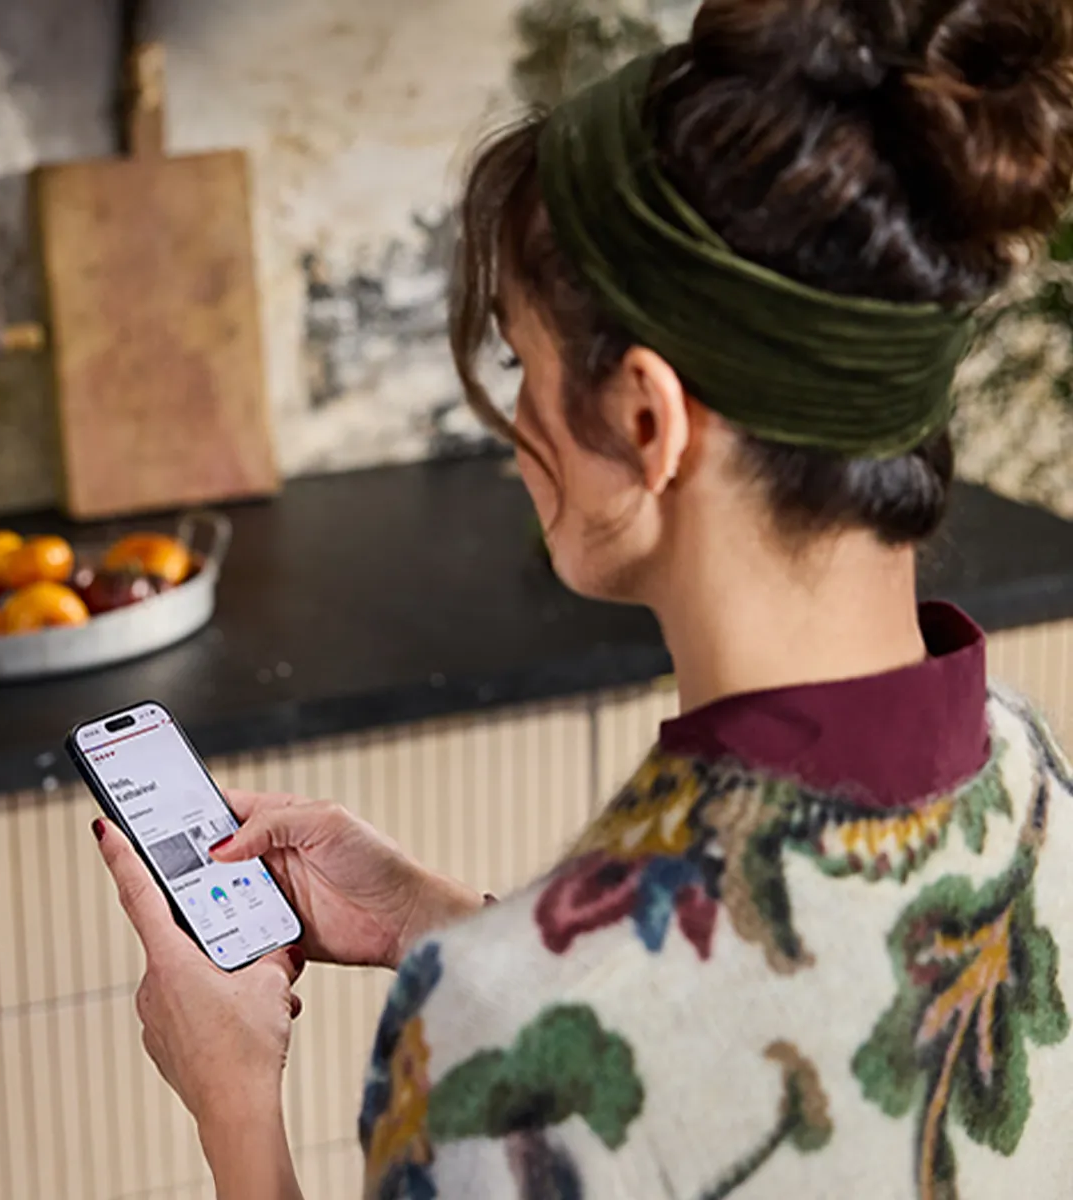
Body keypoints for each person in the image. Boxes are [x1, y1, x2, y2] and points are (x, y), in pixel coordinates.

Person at [93, 1, 1073, 1196]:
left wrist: (231, 1095)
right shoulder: (1025, 771)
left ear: (648, 421)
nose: (515, 431)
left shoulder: (498, 1040)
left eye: (521, 359)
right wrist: (438, 918)